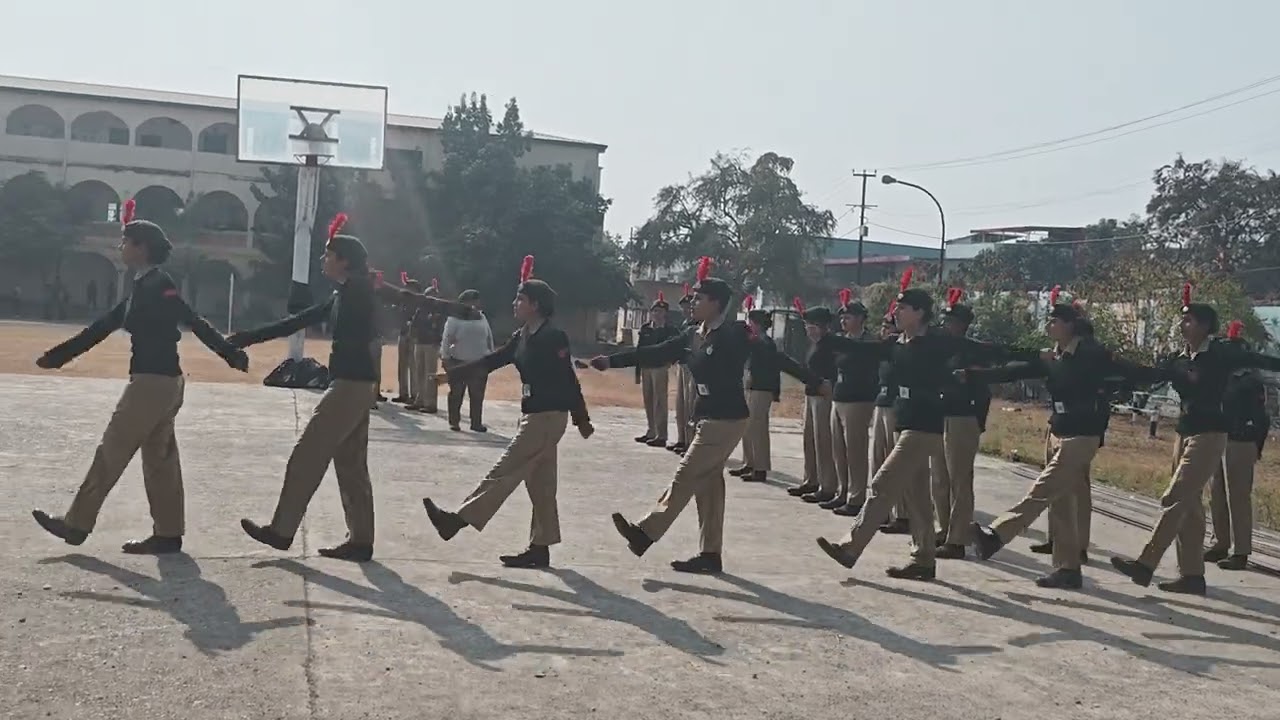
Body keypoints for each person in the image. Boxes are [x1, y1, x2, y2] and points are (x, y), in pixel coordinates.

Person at [237, 214, 472, 563]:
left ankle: (281, 530)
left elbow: (407, 297)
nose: (323, 260)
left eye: (328, 255)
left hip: (351, 385)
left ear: (344, 260)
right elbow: (297, 321)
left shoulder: (362, 286)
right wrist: (246, 338)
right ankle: (360, 540)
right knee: (350, 464)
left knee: (307, 454)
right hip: (353, 384)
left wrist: (456, 309)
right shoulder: (342, 293)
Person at [31, 199, 249, 555]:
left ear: (141, 248)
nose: (120, 248)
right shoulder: (142, 286)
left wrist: (229, 353)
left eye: (125, 242)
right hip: (161, 382)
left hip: (152, 383)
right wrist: (59, 356)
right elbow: (103, 326)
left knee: (111, 451)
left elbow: (191, 319)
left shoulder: (160, 285)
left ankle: (76, 524)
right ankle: (168, 533)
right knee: (160, 460)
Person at [593, 257, 823, 574]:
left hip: (727, 418)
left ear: (716, 303)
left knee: (686, 473)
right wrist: (612, 361)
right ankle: (710, 554)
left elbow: (775, 357)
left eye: (699, 298)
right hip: (706, 416)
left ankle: (645, 533)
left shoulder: (735, 333)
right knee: (708, 488)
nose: (692, 304)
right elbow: (655, 353)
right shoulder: (692, 335)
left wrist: (814, 381)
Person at [814, 270, 1040, 580]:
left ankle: (850, 546)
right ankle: (923, 560)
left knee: (883, 483)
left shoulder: (938, 342)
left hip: (925, 428)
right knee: (918, 497)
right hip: (904, 423)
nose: (897, 312)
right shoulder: (896, 344)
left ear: (920, 313)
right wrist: (826, 339)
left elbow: (988, 350)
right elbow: (861, 349)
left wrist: (1035, 357)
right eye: (897, 307)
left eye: (904, 308)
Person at [964, 291, 1161, 588]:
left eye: (1055, 321)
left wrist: (1167, 373)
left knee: (1042, 490)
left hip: (1083, 434)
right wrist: (975, 376)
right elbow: (1014, 371)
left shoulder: (1091, 355)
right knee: (1062, 502)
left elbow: (1130, 372)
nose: (1050, 325)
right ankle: (1068, 569)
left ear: (1070, 325)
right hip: (1059, 430)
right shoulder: (1053, 356)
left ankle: (996, 535)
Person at [423, 255, 594, 569]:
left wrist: (581, 418)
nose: (515, 303)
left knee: (504, 470)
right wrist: (453, 375)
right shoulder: (522, 337)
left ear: (536, 305)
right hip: (532, 415)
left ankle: (457, 521)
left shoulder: (553, 337)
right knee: (541, 486)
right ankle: (540, 548)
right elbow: (492, 360)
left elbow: (569, 379)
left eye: (521, 299)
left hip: (547, 417)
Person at [1110, 284, 1280, 594]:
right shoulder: (1178, 359)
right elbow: (1149, 375)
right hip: (1184, 432)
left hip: (1211, 433)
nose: (1182, 324)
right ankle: (1192, 576)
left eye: (1189, 320)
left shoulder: (1220, 353)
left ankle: (1146, 563)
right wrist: (1110, 364)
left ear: (1204, 325)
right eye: (1182, 320)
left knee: (1174, 496)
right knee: (1189, 506)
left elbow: (1260, 361)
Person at [931, 288, 993, 560]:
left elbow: (983, 389)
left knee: (959, 480)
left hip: (962, 418)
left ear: (963, 325)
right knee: (939, 479)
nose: (946, 326)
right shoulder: (939, 349)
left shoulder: (973, 351)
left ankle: (958, 538)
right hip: (940, 416)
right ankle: (943, 527)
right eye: (944, 321)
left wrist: (977, 419)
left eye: (951, 322)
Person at [1205, 320, 1269, 572]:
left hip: (1241, 441)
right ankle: (1220, 542)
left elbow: (1261, 417)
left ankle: (1241, 551)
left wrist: (1256, 445)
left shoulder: (1249, 379)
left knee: (1238, 497)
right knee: (1216, 495)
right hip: (1219, 437)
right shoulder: (1222, 376)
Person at [783, 299, 840, 505]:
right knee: (809, 440)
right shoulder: (814, 345)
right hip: (811, 393)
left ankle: (827, 485)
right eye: (808, 327)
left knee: (824, 441)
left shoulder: (832, 344)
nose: (810, 331)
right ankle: (811, 478)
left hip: (824, 395)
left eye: (814, 327)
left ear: (825, 327)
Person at [827, 289, 879, 514]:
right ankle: (843, 491)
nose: (843, 321)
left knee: (855, 450)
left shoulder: (869, 342)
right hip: (839, 397)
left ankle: (856, 496)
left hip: (859, 399)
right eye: (842, 317)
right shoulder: (841, 341)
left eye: (848, 317)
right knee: (838, 449)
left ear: (860, 318)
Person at [442, 289, 495, 432]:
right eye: (472, 301)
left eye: (477, 301)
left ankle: (476, 422)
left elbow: (488, 337)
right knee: (456, 393)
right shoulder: (454, 319)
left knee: (477, 395)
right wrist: (445, 357)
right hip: (458, 361)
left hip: (479, 362)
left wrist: (491, 354)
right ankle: (454, 422)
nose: (476, 304)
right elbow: (446, 339)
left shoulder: (482, 317)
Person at [634, 293, 680, 447]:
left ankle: (661, 435)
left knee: (660, 401)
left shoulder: (670, 330)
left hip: (660, 367)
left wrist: (670, 362)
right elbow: (640, 349)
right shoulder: (646, 328)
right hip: (647, 367)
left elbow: (675, 348)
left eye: (660, 311)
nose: (656, 314)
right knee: (648, 400)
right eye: (654, 311)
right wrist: (637, 370)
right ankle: (651, 431)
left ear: (665, 313)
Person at [409, 279, 446, 414]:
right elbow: (414, 324)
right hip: (420, 342)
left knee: (430, 374)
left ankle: (430, 403)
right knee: (419, 372)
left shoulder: (440, 311)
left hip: (431, 344)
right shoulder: (421, 309)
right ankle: (419, 400)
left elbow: (440, 328)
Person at [668, 287, 697, 454]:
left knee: (690, 406)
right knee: (680, 406)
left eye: (688, 307)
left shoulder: (697, 324)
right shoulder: (685, 324)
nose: (686, 311)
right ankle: (682, 439)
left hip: (692, 366)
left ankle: (690, 442)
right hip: (682, 364)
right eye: (683, 308)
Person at [391, 274, 420, 404]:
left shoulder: (420, 303)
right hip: (403, 334)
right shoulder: (403, 302)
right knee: (402, 365)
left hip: (414, 336)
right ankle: (403, 393)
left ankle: (414, 394)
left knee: (413, 366)